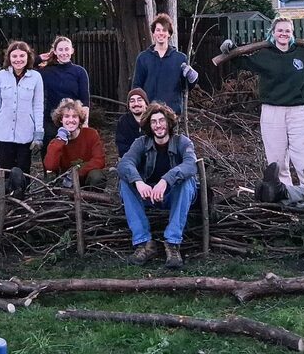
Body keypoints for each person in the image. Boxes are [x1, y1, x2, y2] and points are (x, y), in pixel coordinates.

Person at [219, 17, 304, 186]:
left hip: (298, 111)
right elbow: (240, 60)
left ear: (292, 33)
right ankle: (284, 193)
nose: (283, 33)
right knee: (276, 158)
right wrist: (229, 49)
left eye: (287, 30)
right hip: (272, 111)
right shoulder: (264, 55)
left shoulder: (303, 53)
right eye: (280, 30)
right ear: (273, 33)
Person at [117, 102, 198, 269]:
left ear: (168, 122)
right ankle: (144, 243)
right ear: (149, 124)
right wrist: (138, 182)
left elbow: (191, 165)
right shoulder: (141, 143)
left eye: (161, 120)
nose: (158, 125)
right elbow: (125, 163)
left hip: (173, 195)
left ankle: (172, 243)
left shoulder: (182, 142)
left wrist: (166, 180)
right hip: (149, 195)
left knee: (188, 181)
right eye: (154, 122)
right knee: (125, 182)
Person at [0, 41, 44, 175]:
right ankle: (8, 195)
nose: (18, 60)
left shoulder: (36, 77)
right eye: (14, 56)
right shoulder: (0, 76)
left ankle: (22, 195)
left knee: (23, 170)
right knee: (7, 171)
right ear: (9, 58)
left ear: (28, 57)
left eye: (22, 56)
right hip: (3, 133)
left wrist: (38, 134)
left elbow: (38, 107)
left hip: (26, 134)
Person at [131, 13, 198, 115]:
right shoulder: (143, 58)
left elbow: (186, 87)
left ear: (169, 34)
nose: (161, 33)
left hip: (172, 114)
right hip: (149, 113)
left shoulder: (180, 58)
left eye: (164, 30)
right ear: (153, 33)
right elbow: (137, 87)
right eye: (158, 30)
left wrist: (193, 79)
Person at [37, 36, 91, 154]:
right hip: (50, 122)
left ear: (72, 50)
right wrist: (38, 58)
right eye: (60, 50)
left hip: (72, 121)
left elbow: (85, 100)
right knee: (50, 157)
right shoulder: (45, 71)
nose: (64, 53)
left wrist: (85, 124)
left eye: (66, 49)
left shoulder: (79, 72)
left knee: (72, 157)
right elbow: (25, 68)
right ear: (55, 52)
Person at [43, 98, 106, 188]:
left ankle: (93, 201)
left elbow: (100, 160)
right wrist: (60, 141)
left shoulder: (91, 134)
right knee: (50, 176)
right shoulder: (56, 142)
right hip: (67, 182)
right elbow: (50, 166)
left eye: (75, 116)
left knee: (97, 176)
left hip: (86, 177)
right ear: (61, 119)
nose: (71, 120)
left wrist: (77, 173)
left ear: (79, 119)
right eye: (67, 116)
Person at [115, 88, 148, 157]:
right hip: (131, 158)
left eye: (139, 100)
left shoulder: (153, 119)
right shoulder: (123, 121)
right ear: (129, 106)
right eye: (132, 101)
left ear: (146, 104)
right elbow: (122, 146)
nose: (136, 104)